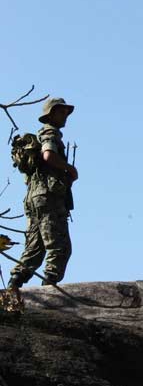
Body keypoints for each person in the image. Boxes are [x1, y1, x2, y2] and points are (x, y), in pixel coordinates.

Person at [8, 98, 77, 289]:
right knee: (60, 247)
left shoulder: (40, 135)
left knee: (34, 249)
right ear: (51, 113)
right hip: (48, 198)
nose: (65, 116)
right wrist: (70, 169)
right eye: (61, 112)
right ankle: (49, 292)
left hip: (33, 198)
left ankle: (13, 286)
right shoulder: (50, 133)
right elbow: (48, 155)